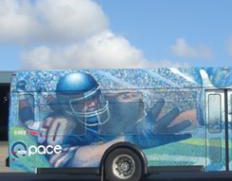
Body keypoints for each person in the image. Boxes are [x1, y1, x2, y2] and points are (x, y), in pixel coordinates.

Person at [40, 72, 192, 167]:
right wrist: (132, 140)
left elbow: (164, 121)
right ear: (67, 107)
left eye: (94, 97)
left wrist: (203, 116)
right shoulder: (57, 124)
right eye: (81, 102)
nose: (92, 104)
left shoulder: (116, 105)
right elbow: (73, 161)